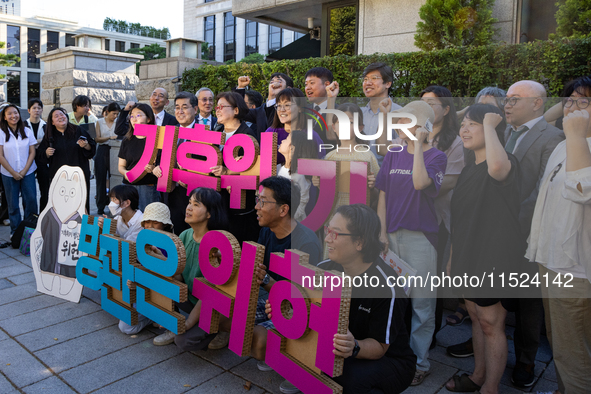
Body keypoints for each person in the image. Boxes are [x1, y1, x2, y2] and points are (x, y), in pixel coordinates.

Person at [266, 204, 416, 394]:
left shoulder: (387, 287)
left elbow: (379, 346)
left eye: (335, 233)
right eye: (328, 230)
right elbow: (306, 306)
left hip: (390, 360)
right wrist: (284, 309)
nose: (327, 238)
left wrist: (354, 347)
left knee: (349, 379)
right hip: (339, 347)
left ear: (359, 242)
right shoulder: (325, 268)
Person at [445, 103, 524, 394]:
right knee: (476, 317)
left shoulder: (504, 162)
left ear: (492, 129)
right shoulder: (469, 170)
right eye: (463, 124)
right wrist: (453, 258)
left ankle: (491, 387)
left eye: (473, 124)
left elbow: (498, 168)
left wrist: (490, 124)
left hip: (494, 257)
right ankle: (478, 375)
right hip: (468, 254)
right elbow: (461, 220)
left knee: (491, 322)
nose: (464, 129)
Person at [525, 75, 591, 394]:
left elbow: (582, 190)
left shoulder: (579, 143)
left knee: (575, 353)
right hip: (550, 262)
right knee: (559, 343)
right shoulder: (563, 144)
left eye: (584, 101)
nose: (574, 108)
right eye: (569, 100)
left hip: (576, 270)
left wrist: (577, 133)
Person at [375, 100, 447, 386]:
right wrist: (380, 233)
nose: (400, 125)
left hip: (421, 239)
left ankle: (420, 362)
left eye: (407, 121)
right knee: (393, 299)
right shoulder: (393, 153)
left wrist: (418, 145)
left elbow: (420, 183)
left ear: (423, 125)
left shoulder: (436, 157)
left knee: (422, 304)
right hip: (390, 236)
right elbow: (382, 194)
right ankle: (394, 353)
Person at [245, 177, 322, 394]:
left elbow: (303, 300)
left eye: (262, 201)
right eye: (257, 199)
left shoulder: (306, 242)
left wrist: (266, 280)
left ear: (283, 209)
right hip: (270, 301)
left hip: (296, 313)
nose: (256, 207)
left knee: (258, 341)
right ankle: (277, 353)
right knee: (233, 315)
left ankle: (297, 365)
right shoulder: (266, 230)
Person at [152, 187, 229, 349]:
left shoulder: (218, 245)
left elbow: (210, 293)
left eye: (196, 204)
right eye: (189, 202)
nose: (188, 207)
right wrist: (160, 257)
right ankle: (175, 325)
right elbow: (179, 275)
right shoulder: (185, 235)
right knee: (160, 278)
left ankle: (222, 329)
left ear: (209, 213)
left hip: (212, 307)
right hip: (190, 298)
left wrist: (188, 323)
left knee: (183, 341)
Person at [418, 86, 464, 346]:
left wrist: (413, 182)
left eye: (432, 103)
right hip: (407, 217)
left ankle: (428, 336)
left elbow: (445, 183)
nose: (425, 107)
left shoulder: (455, 142)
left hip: (436, 221)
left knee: (428, 280)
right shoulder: (410, 136)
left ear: (446, 110)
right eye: (422, 102)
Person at [315, 103, 380, 257]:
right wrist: (319, 185)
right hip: (333, 221)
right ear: (334, 127)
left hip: (357, 224)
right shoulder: (329, 157)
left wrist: (373, 187)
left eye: (351, 122)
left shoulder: (367, 156)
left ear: (360, 127)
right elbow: (326, 196)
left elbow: (377, 196)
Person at [209, 91, 260, 245]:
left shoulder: (248, 135)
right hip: (217, 203)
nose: (217, 110)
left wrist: (230, 172)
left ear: (236, 110)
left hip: (238, 209)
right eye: (216, 107)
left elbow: (254, 170)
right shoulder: (216, 132)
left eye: (222, 106)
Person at [37, 107, 96, 213]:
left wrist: (86, 146)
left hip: (79, 175)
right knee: (62, 204)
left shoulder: (78, 130)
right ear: (52, 122)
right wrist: (46, 153)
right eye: (56, 116)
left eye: (62, 114)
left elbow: (92, 148)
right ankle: (64, 228)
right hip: (60, 177)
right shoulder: (49, 136)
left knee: (82, 203)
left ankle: (84, 227)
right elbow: (40, 156)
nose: (60, 117)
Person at [0, 104, 38, 241]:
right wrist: (13, 172)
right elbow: (0, 156)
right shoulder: (1, 132)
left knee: (31, 200)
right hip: (8, 173)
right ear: (4, 117)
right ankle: (15, 231)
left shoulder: (27, 130)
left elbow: (32, 151)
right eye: (9, 114)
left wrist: (24, 170)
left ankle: (31, 228)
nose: (13, 116)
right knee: (13, 203)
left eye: (15, 113)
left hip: (28, 171)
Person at [118, 103, 161, 212]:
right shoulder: (127, 140)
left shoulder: (158, 140)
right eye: (132, 116)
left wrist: (155, 168)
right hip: (128, 186)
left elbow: (163, 164)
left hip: (148, 187)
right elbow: (121, 166)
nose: (134, 119)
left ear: (149, 119)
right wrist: (126, 173)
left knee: (148, 220)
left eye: (138, 115)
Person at [265, 87, 325, 163]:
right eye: (279, 105)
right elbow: (264, 166)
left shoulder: (311, 136)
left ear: (300, 108)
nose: (282, 110)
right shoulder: (270, 132)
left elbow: (320, 167)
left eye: (287, 105)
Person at [359, 62, 402, 165]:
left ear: (388, 83)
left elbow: (403, 151)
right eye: (365, 79)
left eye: (374, 78)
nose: (368, 83)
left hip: (387, 176)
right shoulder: (359, 113)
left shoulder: (400, 113)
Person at [236, 73, 294, 139]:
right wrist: (240, 87)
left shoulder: (294, 110)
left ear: (289, 88)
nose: (274, 83)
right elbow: (238, 111)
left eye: (279, 81)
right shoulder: (260, 110)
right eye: (272, 81)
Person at [277, 130, 317, 222]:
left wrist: (292, 218)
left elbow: (303, 200)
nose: (282, 141)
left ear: (292, 149)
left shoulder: (299, 175)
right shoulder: (279, 168)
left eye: (286, 139)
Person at [94, 102, 120, 215]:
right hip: (102, 150)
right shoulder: (99, 122)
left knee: (114, 178)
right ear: (107, 112)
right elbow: (97, 138)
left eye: (117, 114)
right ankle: (100, 205)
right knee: (100, 179)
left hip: (115, 150)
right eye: (114, 113)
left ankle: (114, 204)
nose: (115, 116)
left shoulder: (118, 122)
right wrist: (109, 137)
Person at [26, 98, 50, 212]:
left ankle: (43, 214)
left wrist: (34, 142)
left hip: (42, 160)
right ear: (28, 110)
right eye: (34, 108)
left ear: (42, 110)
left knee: (45, 189)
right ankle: (30, 215)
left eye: (39, 108)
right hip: (27, 160)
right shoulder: (23, 125)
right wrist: (39, 141)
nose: (36, 110)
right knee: (28, 191)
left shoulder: (46, 126)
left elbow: (49, 141)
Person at [304, 67, 336, 143]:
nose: (307, 88)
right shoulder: (302, 111)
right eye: (306, 84)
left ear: (326, 85)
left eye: (312, 83)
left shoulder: (339, 111)